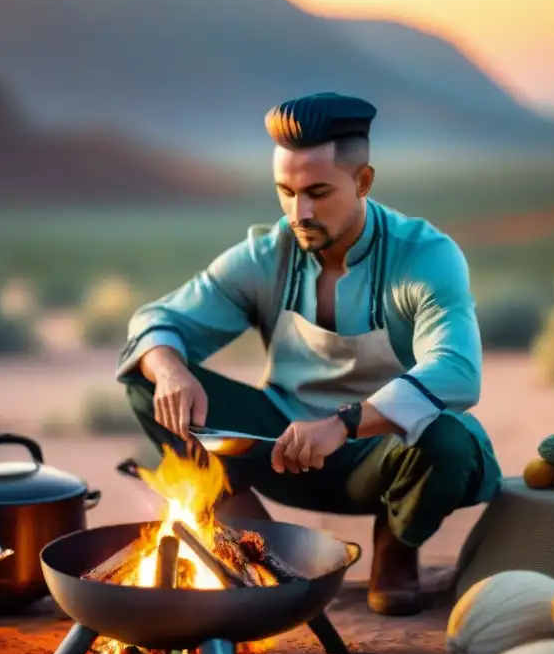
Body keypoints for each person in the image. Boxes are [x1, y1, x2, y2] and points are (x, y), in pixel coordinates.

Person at [116, 91, 501, 616]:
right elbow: (157, 320)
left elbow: (459, 371)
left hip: (383, 456)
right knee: (145, 376)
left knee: (451, 441)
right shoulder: (267, 253)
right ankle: (253, 537)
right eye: (286, 192)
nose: (300, 212)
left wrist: (343, 423)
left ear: (362, 182)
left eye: (318, 192)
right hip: (280, 445)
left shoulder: (425, 256)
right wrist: (170, 370)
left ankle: (397, 543)